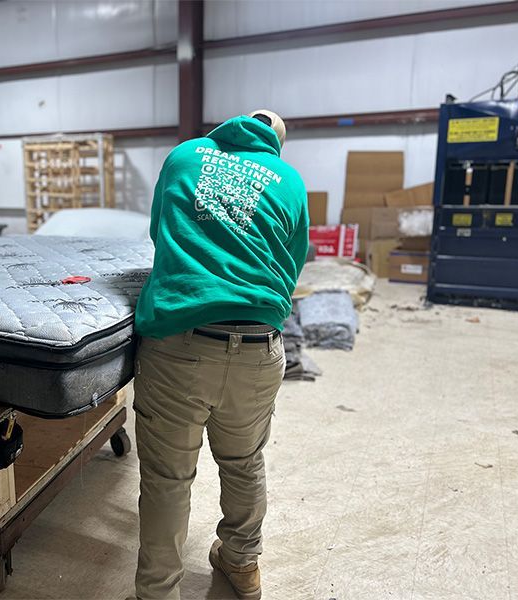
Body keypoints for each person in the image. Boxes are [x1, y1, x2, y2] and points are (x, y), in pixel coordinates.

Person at [132, 110, 309, 600]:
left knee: (168, 478)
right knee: (244, 461)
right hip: (259, 349)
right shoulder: (289, 180)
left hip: (181, 342)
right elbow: (291, 264)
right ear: (276, 144)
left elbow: (160, 230)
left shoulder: (185, 155)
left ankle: (156, 593)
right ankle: (241, 563)